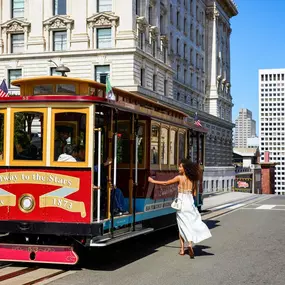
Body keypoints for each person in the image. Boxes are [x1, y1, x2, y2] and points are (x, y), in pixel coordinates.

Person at [148, 159, 212, 259]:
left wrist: (153, 181)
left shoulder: (179, 178)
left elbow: (166, 183)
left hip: (182, 204)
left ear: (184, 168)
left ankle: (182, 249)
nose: (179, 168)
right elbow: (194, 194)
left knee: (181, 226)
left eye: (180, 167)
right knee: (190, 225)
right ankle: (190, 244)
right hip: (190, 203)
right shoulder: (193, 180)